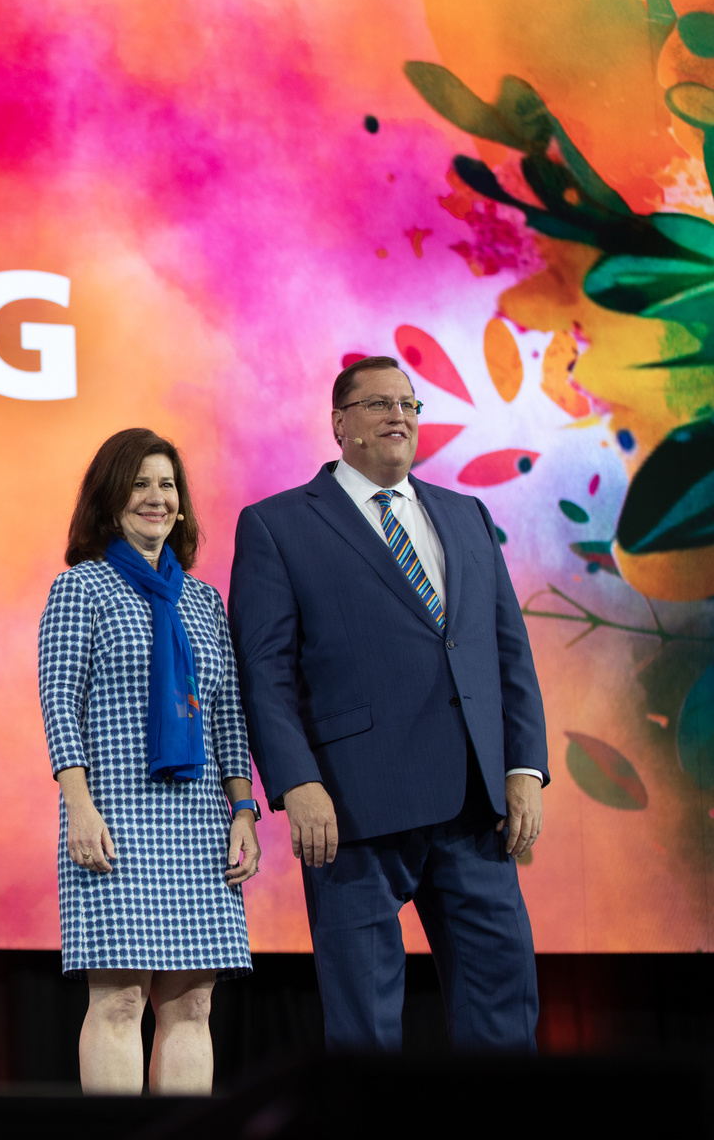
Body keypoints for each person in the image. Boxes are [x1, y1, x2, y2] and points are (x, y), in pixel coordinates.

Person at [228, 356, 547, 1052]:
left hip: (473, 806)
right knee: (365, 1028)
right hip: (352, 810)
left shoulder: (466, 516)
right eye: (378, 404)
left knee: (503, 1003)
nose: (399, 415)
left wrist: (524, 768)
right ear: (340, 424)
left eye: (409, 403)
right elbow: (265, 671)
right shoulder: (278, 524)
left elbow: (508, 653)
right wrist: (296, 781)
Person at [38, 428, 260, 1095]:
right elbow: (59, 704)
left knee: (192, 1007)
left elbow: (227, 716)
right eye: (139, 483)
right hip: (114, 820)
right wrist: (79, 807)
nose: (156, 498)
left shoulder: (203, 602)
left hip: (197, 825)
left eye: (166, 485)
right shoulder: (81, 589)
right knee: (120, 1002)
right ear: (110, 500)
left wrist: (244, 811)